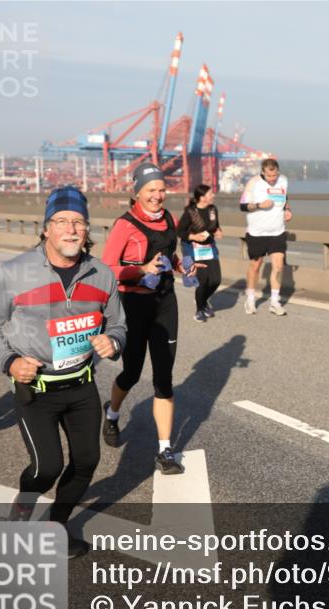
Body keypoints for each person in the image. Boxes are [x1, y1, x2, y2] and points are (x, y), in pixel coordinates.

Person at [0, 187, 126, 558]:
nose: (71, 229)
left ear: (87, 230)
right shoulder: (14, 272)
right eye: (62, 222)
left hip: (82, 387)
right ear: (46, 229)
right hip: (36, 390)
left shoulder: (102, 274)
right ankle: (22, 512)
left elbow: (119, 324)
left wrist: (113, 342)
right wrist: (10, 363)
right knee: (46, 468)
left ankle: (57, 524)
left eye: (79, 222)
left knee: (87, 461)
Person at [101, 162, 197, 474]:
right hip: (133, 305)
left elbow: (169, 257)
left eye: (161, 189)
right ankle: (112, 414)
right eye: (151, 190)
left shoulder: (169, 218)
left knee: (164, 379)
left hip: (165, 302)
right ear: (137, 192)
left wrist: (184, 267)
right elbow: (105, 271)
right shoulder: (124, 225)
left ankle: (165, 450)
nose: (158, 195)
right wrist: (140, 270)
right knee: (130, 373)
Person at [239, 158, 291, 316]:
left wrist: (288, 209)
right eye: (269, 176)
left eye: (274, 175)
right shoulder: (253, 183)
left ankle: (275, 302)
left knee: (279, 266)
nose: (272, 179)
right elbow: (242, 206)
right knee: (256, 265)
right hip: (257, 232)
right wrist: (260, 205)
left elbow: (285, 198)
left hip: (277, 231)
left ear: (278, 172)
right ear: (263, 172)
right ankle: (250, 299)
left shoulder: (283, 181)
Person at [178, 184, 223, 323]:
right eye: (210, 194)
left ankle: (202, 300)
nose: (213, 195)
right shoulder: (190, 212)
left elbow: (215, 226)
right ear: (202, 197)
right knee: (203, 281)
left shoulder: (212, 210)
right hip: (193, 248)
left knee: (216, 280)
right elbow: (179, 231)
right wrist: (193, 237)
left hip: (209, 247)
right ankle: (199, 310)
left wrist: (218, 231)